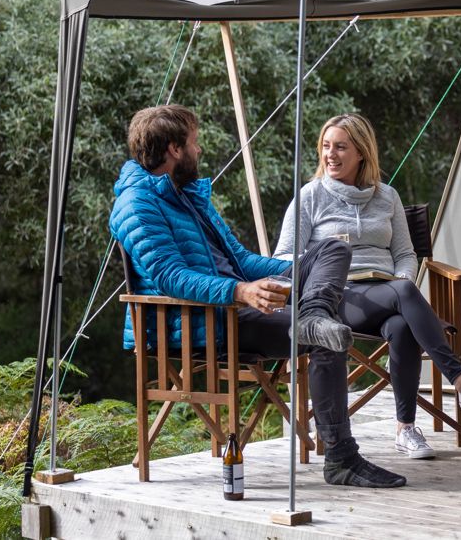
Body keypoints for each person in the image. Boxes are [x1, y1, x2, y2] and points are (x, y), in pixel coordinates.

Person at [109, 104, 405, 487]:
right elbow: (170, 277)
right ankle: (342, 459)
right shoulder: (136, 203)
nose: (199, 151)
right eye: (194, 143)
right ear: (173, 149)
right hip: (205, 322)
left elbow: (242, 259)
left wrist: (297, 271)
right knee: (327, 336)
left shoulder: (187, 195)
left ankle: (312, 317)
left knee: (331, 250)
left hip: (238, 306)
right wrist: (241, 291)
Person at [275, 113, 461, 460]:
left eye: (340, 147)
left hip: (386, 294)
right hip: (337, 297)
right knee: (406, 294)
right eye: (326, 146)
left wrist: (400, 282)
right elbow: (283, 257)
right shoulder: (310, 197)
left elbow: (405, 254)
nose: (330, 155)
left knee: (402, 323)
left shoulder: (387, 197)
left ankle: (406, 430)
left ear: (362, 153)